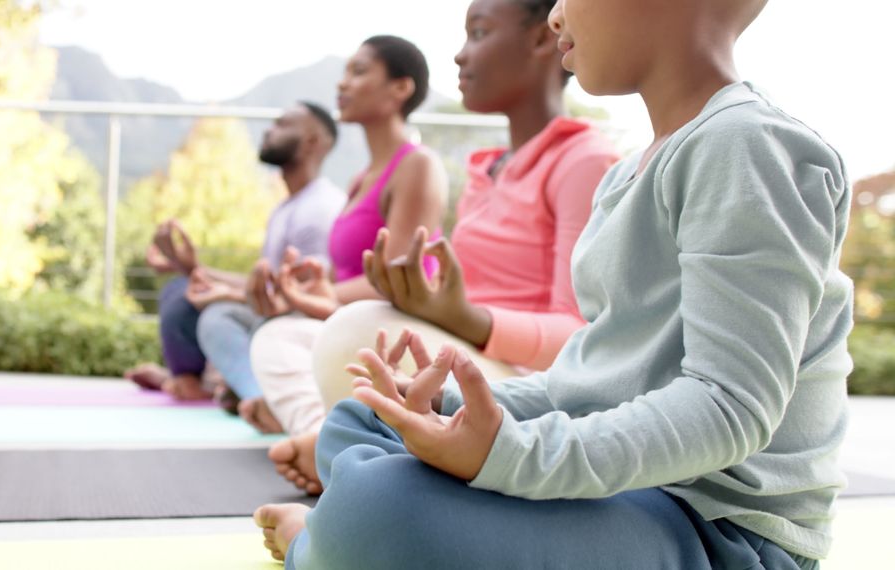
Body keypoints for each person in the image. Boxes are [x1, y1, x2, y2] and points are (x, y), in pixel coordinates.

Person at [255, 0, 853, 567]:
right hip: (631, 491)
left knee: (378, 510)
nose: (558, 13)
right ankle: (355, 524)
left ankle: (324, 540)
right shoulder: (625, 176)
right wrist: (453, 406)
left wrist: (507, 455)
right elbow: (590, 380)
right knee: (362, 418)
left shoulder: (748, 146)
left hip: (718, 534)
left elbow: (728, 409)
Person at [255, 0, 618, 495]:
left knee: (349, 333)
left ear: (541, 38)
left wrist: (466, 320)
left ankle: (348, 443)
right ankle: (346, 440)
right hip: (468, 351)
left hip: (530, 386)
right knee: (290, 338)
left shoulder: (584, 160)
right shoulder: (486, 171)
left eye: (480, 33)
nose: (459, 57)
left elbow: (582, 335)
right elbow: (465, 297)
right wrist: (418, 299)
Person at [232, 34, 448, 431]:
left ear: (400, 88)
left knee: (276, 338)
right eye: (345, 72)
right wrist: (301, 283)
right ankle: (314, 423)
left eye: (359, 72)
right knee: (268, 331)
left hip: (395, 327)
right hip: (348, 319)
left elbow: (396, 282)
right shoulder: (357, 180)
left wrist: (316, 297)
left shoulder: (417, 166)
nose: (342, 84)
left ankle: (316, 436)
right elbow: (343, 274)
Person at [123, 101, 345, 407]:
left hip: (296, 322)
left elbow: (300, 295)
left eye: (283, 124)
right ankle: (199, 383)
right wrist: (191, 268)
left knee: (216, 315)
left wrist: (223, 293)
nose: (270, 129)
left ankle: (263, 400)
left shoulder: (321, 207)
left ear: (313, 142)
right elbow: (261, 282)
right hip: (270, 311)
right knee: (181, 289)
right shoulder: (286, 208)